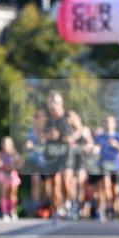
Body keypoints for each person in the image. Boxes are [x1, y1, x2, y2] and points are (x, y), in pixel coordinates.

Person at [43, 90, 74, 218]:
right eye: (51, 101)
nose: (54, 104)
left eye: (56, 101)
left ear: (61, 103)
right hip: (52, 152)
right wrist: (48, 136)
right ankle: (57, 208)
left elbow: (80, 130)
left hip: (65, 152)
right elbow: (40, 135)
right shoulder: (46, 118)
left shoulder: (69, 115)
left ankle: (69, 202)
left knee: (66, 180)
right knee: (54, 182)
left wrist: (71, 137)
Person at [93, 114, 119, 220]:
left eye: (109, 122)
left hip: (116, 166)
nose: (107, 124)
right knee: (105, 185)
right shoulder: (100, 137)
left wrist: (116, 145)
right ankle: (106, 207)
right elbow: (95, 147)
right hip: (104, 165)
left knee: (115, 190)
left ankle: (112, 208)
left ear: (114, 124)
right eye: (105, 122)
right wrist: (94, 149)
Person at [0, 136, 21, 222]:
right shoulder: (0, 154)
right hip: (3, 175)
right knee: (3, 194)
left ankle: (13, 211)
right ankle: (5, 212)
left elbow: (19, 165)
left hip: (12, 175)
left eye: (7, 144)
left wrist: (12, 167)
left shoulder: (15, 154)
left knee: (12, 194)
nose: (6, 146)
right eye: (4, 144)